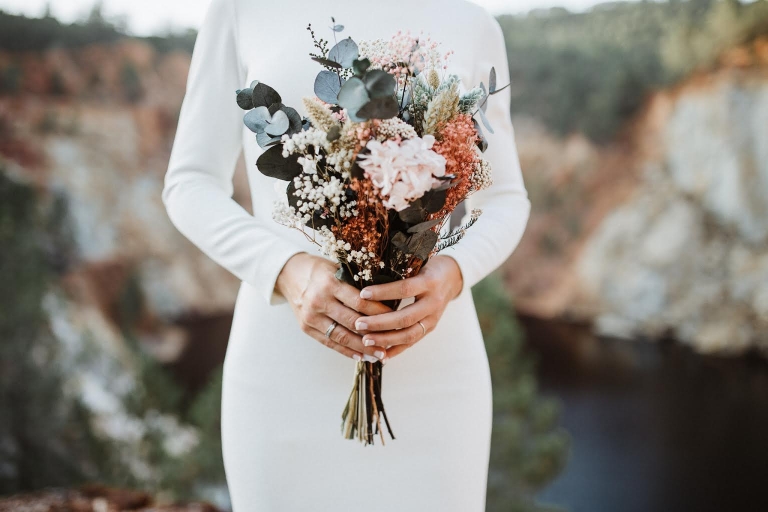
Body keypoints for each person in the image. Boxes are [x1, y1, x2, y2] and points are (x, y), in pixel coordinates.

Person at [162, 0, 531, 509]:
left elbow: (506, 198)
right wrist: (285, 272)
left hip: (437, 379)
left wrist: (452, 272)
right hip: (281, 375)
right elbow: (190, 183)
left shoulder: (471, 22)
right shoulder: (241, 9)